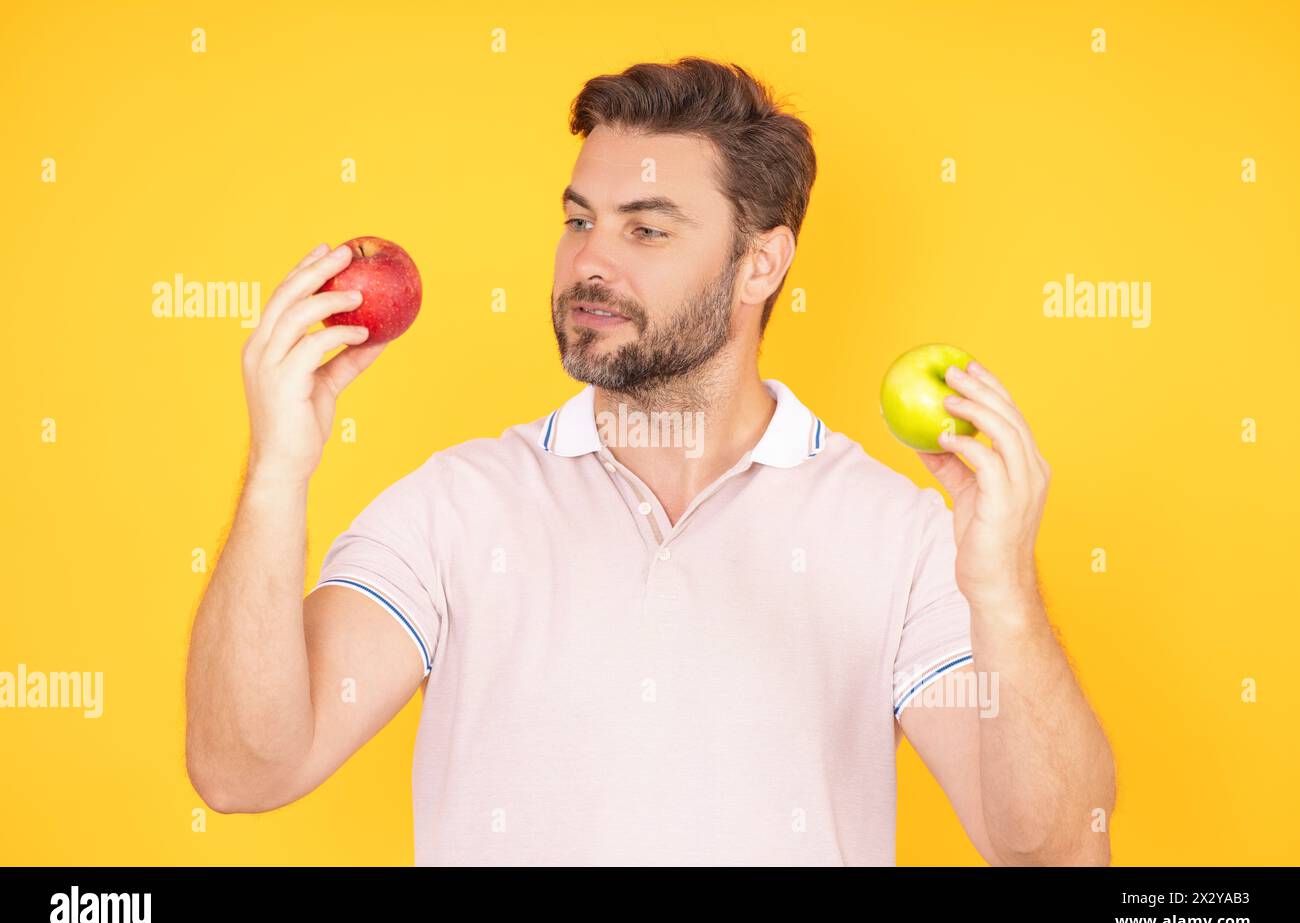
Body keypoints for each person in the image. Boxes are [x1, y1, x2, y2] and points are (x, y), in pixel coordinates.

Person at [185, 57, 1115, 866]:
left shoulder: (900, 535)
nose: (590, 262)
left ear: (761, 263)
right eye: (580, 220)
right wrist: (277, 473)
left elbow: (1054, 850)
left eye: (646, 228)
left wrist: (1000, 589)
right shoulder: (456, 508)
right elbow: (243, 769)